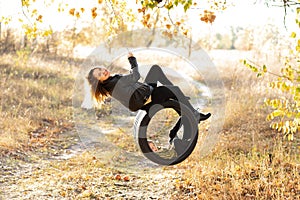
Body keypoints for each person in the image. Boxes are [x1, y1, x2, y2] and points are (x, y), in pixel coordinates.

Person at [87, 52, 211, 145]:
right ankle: (193, 114)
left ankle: (178, 119)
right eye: (99, 74)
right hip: (148, 98)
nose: (103, 71)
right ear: (99, 82)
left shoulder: (111, 80)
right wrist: (132, 60)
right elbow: (135, 76)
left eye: (101, 69)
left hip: (145, 92)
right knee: (176, 91)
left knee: (156, 70)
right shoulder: (113, 83)